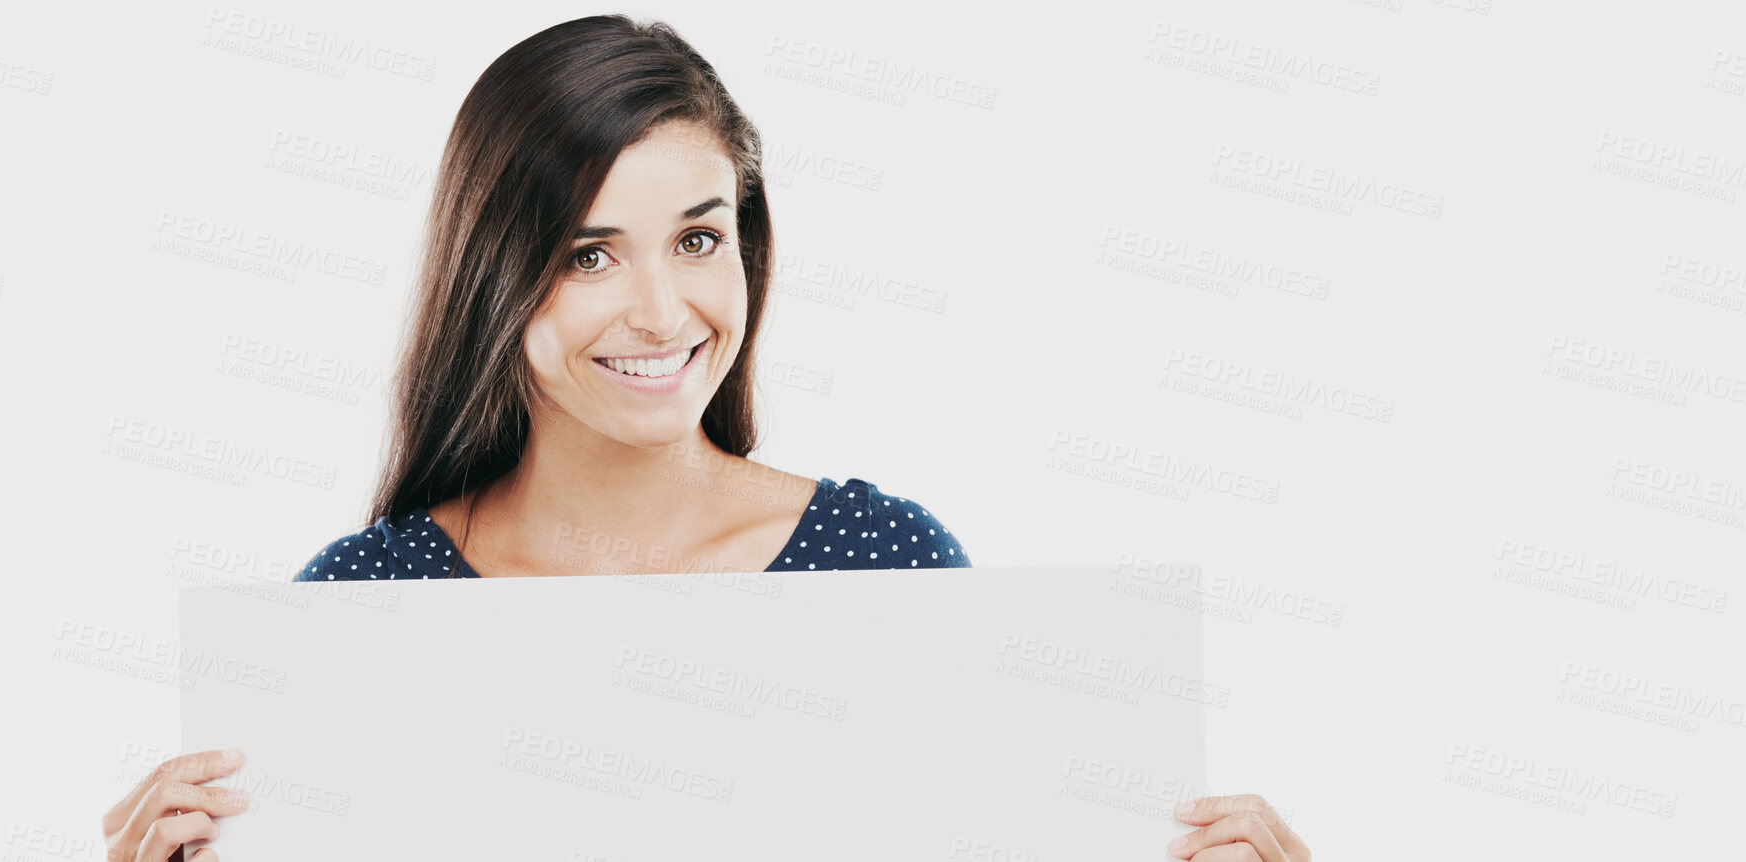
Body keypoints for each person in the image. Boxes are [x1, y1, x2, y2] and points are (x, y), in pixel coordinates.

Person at [101, 16, 1310, 862]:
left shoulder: (879, 562)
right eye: (587, 255)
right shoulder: (361, 611)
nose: (663, 314)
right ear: (495, 276)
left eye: (695, 237)